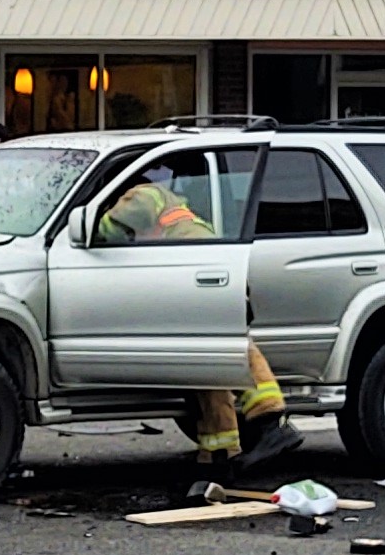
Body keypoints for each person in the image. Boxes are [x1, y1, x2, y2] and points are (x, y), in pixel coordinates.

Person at [94, 162, 302, 476]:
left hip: (200, 268)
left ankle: (270, 422)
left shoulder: (144, 193)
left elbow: (113, 226)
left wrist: (93, 217)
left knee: (229, 350)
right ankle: (220, 452)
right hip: (201, 266)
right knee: (206, 364)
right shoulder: (163, 199)